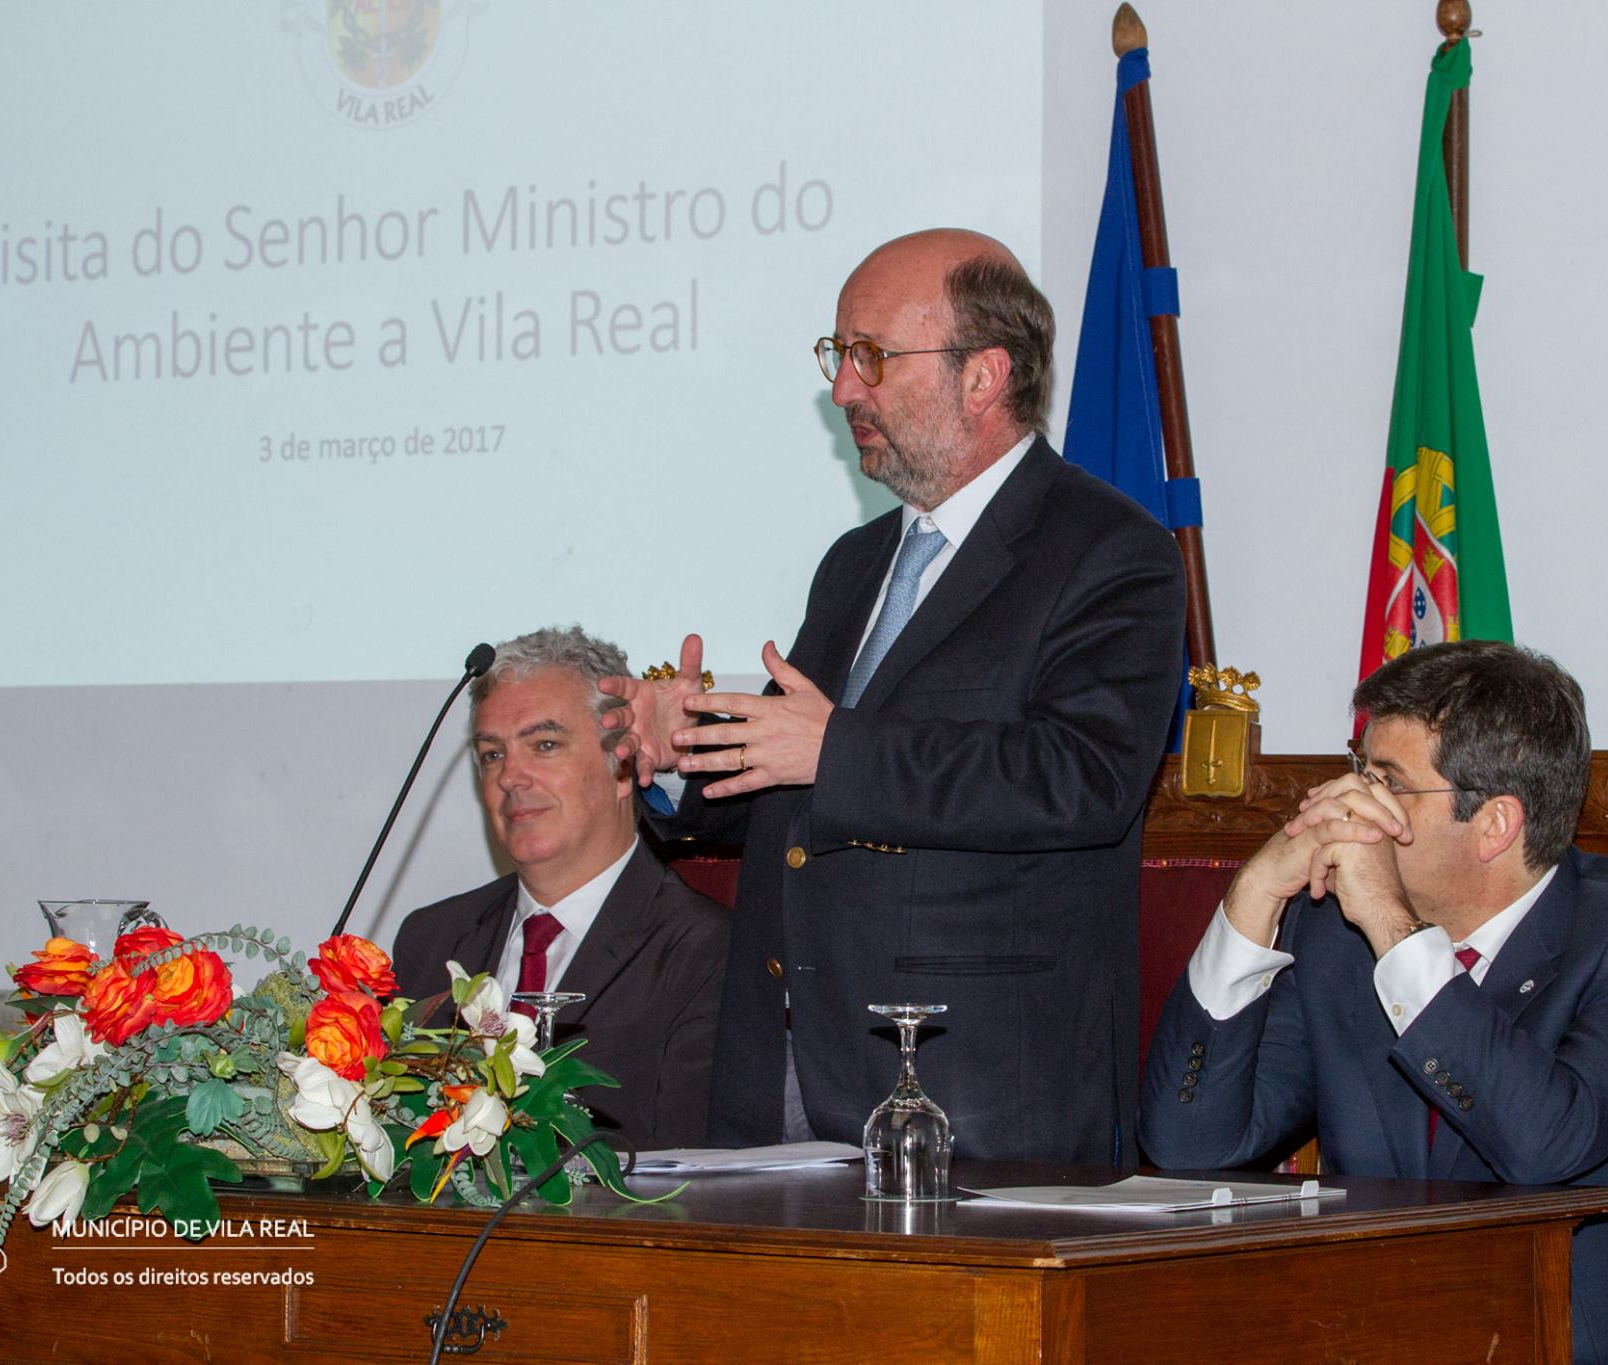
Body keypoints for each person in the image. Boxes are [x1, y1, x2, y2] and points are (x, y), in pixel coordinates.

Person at [602, 229, 1186, 1164]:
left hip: (982, 1089)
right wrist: (682, 762)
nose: (842, 392)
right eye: (838, 357)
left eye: (870, 357)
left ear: (984, 375)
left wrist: (833, 749)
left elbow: (1082, 777)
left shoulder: (1109, 552)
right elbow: (798, 782)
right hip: (783, 1072)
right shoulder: (854, 565)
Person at [1138, 640, 1608, 1364]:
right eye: (1357, 769)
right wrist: (1252, 900)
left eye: (1386, 782)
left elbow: (1546, 1142)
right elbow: (1189, 1146)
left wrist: (1396, 932)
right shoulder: (1338, 941)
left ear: (1495, 825)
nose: (1345, 804)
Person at [393, 627, 729, 1152]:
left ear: (622, 762)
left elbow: (686, 1175)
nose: (511, 778)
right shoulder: (430, 939)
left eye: (544, 745)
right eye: (492, 755)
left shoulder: (705, 949)